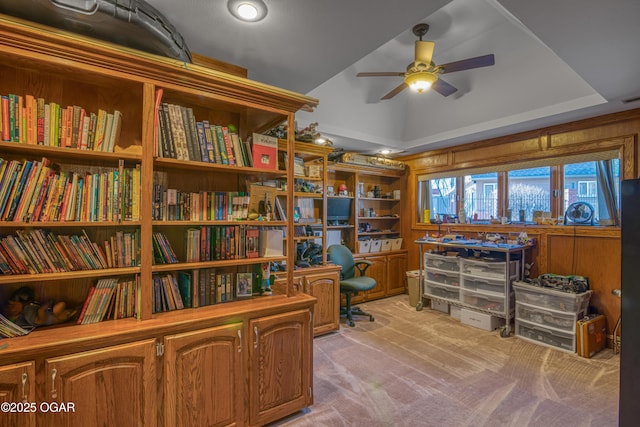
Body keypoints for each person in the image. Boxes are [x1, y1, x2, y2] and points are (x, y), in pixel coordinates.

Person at [3, 286, 77, 328]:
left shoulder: (26, 312)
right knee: (60, 306)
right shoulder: (27, 314)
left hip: (39, 314)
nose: (68, 312)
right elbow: (40, 319)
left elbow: (40, 318)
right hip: (48, 315)